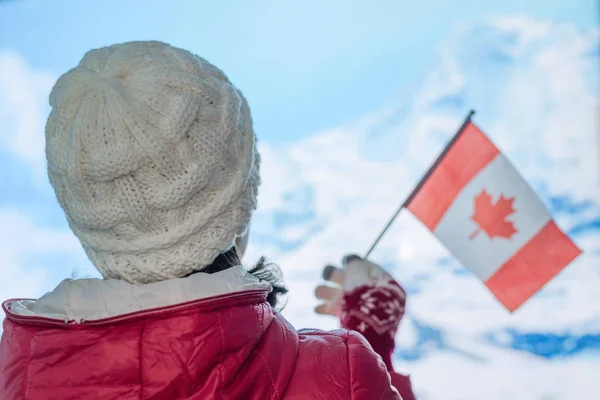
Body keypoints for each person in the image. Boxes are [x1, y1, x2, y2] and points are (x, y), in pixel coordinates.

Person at [0, 41, 413, 399]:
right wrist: (374, 345)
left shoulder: (16, 380)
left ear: (93, 218)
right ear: (240, 198)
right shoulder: (341, 375)